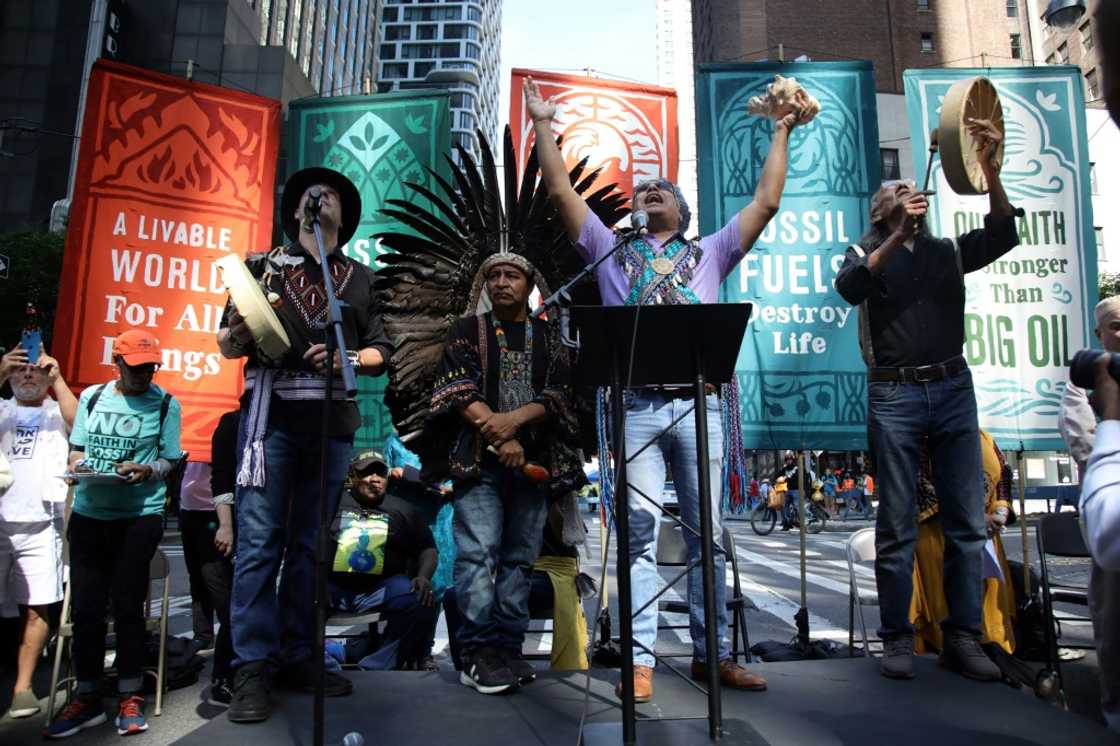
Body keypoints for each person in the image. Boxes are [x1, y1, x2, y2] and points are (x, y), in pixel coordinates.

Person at [525, 73, 808, 700]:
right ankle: (643, 659)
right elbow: (559, 189)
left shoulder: (709, 252)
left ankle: (713, 655)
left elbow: (765, 204)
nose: (648, 192)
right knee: (639, 533)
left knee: (707, 532)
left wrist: (782, 129)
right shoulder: (607, 250)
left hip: (699, 404)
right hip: (635, 407)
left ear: (681, 211)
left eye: (661, 190)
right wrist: (545, 125)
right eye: (642, 189)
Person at [835, 115, 1018, 682]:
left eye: (910, 190)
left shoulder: (946, 251)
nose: (906, 191)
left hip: (953, 386)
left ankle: (963, 637)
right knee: (897, 522)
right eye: (895, 190)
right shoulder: (861, 251)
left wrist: (989, 168)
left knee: (968, 519)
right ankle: (895, 637)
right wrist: (898, 236)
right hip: (895, 394)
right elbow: (852, 287)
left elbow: (1005, 232)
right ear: (878, 213)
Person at [216, 167, 392, 723]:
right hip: (272, 422)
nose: (320, 198)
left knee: (314, 544)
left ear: (343, 214)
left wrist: (350, 358)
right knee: (260, 544)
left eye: (331, 194)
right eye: (311, 194)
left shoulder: (361, 278)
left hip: (333, 422)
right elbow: (224, 342)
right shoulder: (259, 268)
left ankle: (298, 653)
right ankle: (250, 668)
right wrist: (240, 333)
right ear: (297, 211)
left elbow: (382, 348)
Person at [430, 253, 586, 696]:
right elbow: (457, 389)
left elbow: (560, 394)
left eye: (512, 275)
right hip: (478, 463)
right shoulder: (466, 331)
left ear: (530, 284)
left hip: (534, 467)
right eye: (494, 275)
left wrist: (514, 421)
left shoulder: (550, 336)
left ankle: (508, 648)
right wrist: (501, 438)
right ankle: (476, 653)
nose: (501, 282)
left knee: (519, 559)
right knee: (478, 555)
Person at [46, 330, 182, 738]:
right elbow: (77, 448)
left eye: (150, 368)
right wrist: (81, 465)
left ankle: (130, 693)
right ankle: (86, 695)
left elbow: (170, 459)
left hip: (139, 515)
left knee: (127, 605)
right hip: (90, 512)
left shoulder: (166, 404)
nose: (144, 375)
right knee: (86, 608)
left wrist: (148, 470)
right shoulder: (91, 398)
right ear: (117, 364)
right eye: (136, 368)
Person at [0, 344, 76, 720]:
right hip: (0, 524)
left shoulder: (55, 412)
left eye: (35, 371)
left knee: (37, 608)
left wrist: (58, 379)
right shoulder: (2, 409)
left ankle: (23, 687)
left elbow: (83, 426)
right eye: (20, 371)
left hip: (42, 525)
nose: (28, 375)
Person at [1060, 296, 1120, 731]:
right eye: (1115, 326)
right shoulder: (1089, 379)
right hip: (1107, 497)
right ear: (1100, 331)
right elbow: (1083, 438)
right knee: (1112, 612)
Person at [324, 450, 437, 670]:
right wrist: (315, 580)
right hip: (332, 589)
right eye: (367, 472)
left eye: (381, 473)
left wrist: (423, 576)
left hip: (378, 590)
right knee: (296, 590)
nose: (375, 478)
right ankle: (319, 659)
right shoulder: (331, 503)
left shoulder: (402, 509)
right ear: (352, 476)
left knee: (420, 598)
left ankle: (379, 663)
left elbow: (427, 549)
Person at [909, 431, 1016, 656]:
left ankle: (997, 658)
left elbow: (1003, 476)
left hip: (986, 538)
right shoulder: (922, 440)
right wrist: (974, 518)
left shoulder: (986, 438)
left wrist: (1001, 510)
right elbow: (923, 489)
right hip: (938, 536)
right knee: (948, 606)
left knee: (989, 608)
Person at [200, 409, 239, 707]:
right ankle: (224, 676)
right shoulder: (231, 422)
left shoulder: (289, 420)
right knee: (232, 609)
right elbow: (222, 476)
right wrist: (225, 525)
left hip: (274, 526)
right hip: (229, 526)